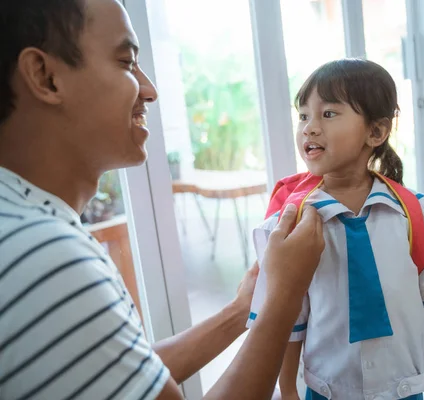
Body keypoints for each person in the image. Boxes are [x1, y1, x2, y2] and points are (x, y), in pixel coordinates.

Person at [0, 1, 324, 399]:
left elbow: (117, 372)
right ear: (45, 76)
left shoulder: (18, 222)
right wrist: (283, 298)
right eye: (126, 62)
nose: (149, 90)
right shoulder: (44, 254)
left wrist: (242, 311)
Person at [247, 59, 424, 400]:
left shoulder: (416, 215)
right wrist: (288, 387)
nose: (309, 128)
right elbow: (288, 316)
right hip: (326, 390)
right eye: (304, 115)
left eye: (329, 114)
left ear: (376, 132)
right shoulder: (290, 228)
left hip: (403, 388)